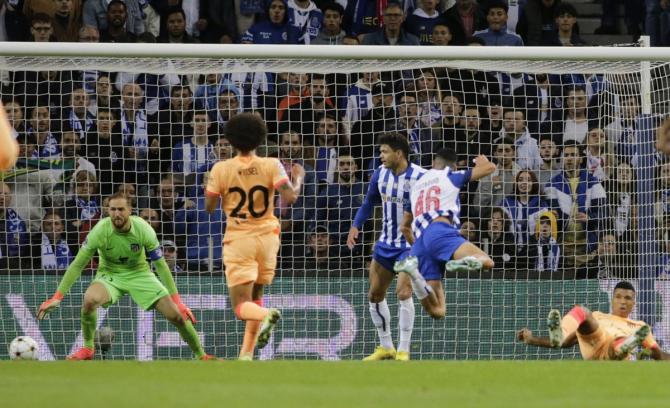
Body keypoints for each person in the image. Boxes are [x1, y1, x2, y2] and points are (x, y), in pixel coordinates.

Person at [36, 191, 216, 361]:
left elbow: (161, 266)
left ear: (130, 210)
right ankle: (88, 348)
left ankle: (201, 355)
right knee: (90, 300)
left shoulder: (143, 229)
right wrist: (57, 297)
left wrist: (178, 301)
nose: (116, 214)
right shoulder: (100, 230)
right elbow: (77, 264)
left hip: (140, 274)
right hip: (110, 275)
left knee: (177, 316)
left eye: (121, 209)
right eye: (112, 209)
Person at [205, 113, 305, 360]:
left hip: (239, 240)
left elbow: (209, 206)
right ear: (260, 139)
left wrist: (212, 186)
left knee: (242, 307)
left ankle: (266, 316)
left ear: (230, 140)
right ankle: (246, 354)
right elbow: (290, 197)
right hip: (269, 237)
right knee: (256, 297)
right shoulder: (272, 164)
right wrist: (299, 177)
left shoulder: (221, 168)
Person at [347, 133, 427, 361]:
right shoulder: (380, 174)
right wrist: (356, 225)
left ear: (398, 154)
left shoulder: (421, 177)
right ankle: (386, 347)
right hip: (385, 244)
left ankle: (403, 349)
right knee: (374, 295)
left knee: (403, 292)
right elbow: (369, 201)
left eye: (384, 152)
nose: (380, 156)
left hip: (409, 245)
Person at [394, 148, 496, 319]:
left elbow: (404, 227)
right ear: (454, 166)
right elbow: (490, 168)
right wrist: (483, 162)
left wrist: (419, 250)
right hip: (440, 231)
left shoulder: (415, 186)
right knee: (487, 262)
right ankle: (465, 262)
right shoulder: (450, 176)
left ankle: (416, 276)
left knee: (438, 311)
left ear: (433, 163)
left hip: (420, 242)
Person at [517, 281, 670, 361]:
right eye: (618, 297)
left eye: (628, 298)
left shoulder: (640, 326)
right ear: (612, 299)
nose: (622, 301)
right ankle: (560, 332)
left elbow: (659, 356)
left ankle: (621, 347)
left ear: (634, 303)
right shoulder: (598, 316)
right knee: (582, 312)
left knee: (618, 343)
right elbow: (567, 344)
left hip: (615, 356)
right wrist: (532, 339)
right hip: (595, 343)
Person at [0, 101, 19, 170]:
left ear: (22, 113)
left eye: (15, 111)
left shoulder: (30, 133)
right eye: (8, 111)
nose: (12, 114)